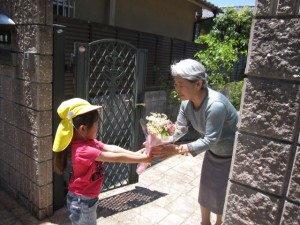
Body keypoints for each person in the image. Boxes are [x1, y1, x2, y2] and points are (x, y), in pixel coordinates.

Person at [152, 59, 238, 225]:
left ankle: (220, 222)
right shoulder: (186, 103)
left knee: (222, 193)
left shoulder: (215, 105)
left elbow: (210, 139)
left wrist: (176, 150)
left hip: (230, 155)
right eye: (175, 83)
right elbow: (180, 129)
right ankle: (204, 222)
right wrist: (157, 142)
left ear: (198, 84)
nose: (177, 88)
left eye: (181, 84)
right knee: (205, 189)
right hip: (213, 153)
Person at [52, 98, 152, 225]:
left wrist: (136, 154)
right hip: (82, 202)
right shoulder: (83, 150)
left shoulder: (88, 142)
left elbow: (110, 147)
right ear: (82, 129)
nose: (98, 127)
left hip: (86, 199)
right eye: (96, 123)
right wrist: (143, 159)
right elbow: (116, 158)